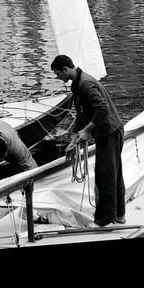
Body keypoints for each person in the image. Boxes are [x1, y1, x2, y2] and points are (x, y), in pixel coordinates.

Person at [50, 54, 125, 228]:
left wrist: (86, 131)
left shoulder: (86, 84)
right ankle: (119, 214)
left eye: (57, 74)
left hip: (110, 132)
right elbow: (81, 115)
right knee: (114, 174)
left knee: (105, 176)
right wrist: (74, 139)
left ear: (65, 70)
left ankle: (104, 220)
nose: (58, 77)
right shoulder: (77, 86)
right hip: (108, 132)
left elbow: (102, 110)